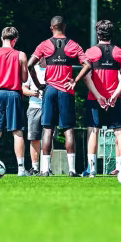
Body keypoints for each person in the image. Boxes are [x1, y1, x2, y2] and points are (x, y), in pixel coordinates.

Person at [28, 16, 93, 177]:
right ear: (64, 27)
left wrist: (38, 84)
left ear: (51, 28)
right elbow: (88, 65)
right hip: (66, 90)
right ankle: (72, 170)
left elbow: (30, 65)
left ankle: (44, 169)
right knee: (68, 128)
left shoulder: (44, 44)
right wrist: (75, 81)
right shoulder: (73, 45)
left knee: (48, 128)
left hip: (49, 89)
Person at [83, 20, 121, 178]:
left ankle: (92, 170)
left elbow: (86, 78)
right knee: (120, 132)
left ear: (98, 33)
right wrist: (114, 95)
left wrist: (98, 96)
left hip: (95, 98)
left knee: (93, 131)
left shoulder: (90, 52)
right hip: (113, 99)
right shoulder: (119, 52)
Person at [0, 27, 29, 175]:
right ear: (15, 40)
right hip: (14, 94)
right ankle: (21, 169)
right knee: (17, 132)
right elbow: (24, 79)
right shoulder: (21, 55)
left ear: (2, 38)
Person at [23, 57, 45, 175]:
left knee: (48, 138)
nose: (43, 59)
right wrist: (33, 93)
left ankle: (46, 168)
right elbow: (23, 89)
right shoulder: (31, 70)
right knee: (34, 138)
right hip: (34, 107)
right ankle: (35, 167)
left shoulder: (52, 70)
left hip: (49, 107)